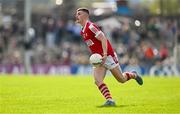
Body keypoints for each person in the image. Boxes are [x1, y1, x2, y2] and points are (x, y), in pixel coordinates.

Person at [75, 7, 143, 106]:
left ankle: (133, 75)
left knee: (121, 79)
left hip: (108, 56)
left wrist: (105, 54)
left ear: (85, 16)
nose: (76, 15)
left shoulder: (91, 27)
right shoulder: (82, 30)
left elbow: (103, 39)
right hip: (99, 59)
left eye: (79, 14)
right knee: (97, 81)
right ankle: (110, 100)